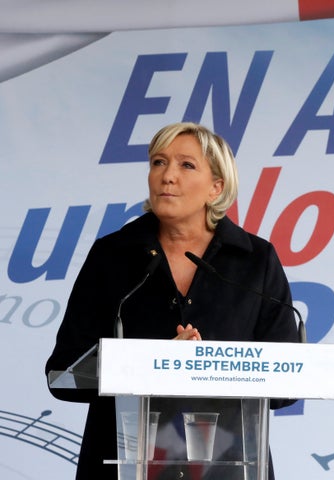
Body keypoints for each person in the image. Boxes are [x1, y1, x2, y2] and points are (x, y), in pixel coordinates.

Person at [45, 122, 299, 479]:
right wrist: (157, 363)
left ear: (216, 187)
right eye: (158, 162)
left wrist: (205, 366)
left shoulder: (255, 260)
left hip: (228, 467)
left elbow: (287, 383)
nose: (167, 176)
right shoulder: (112, 256)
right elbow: (63, 370)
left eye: (186, 165)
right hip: (121, 465)